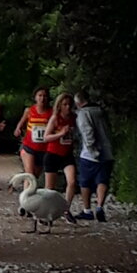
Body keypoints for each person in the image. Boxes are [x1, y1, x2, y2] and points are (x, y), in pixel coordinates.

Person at [74, 90, 114, 222]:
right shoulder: (101, 111)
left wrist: (92, 150)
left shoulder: (83, 114)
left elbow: (87, 133)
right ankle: (100, 206)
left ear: (78, 102)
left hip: (90, 155)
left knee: (85, 182)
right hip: (107, 152)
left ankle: (87, 210)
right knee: (102, 180)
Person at [43, 91, 77, 220]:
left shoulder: (74, 117)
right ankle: (46, 213)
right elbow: (46, 137)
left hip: (67, 154)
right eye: (65, 104)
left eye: (69, 104)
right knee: (49, 189)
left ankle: (66, 209)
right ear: (60, 106)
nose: (67, 107)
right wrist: (61, 134)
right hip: (53, 153)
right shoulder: (55, 118)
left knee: (72, 181)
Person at [14, 86, 52, 180]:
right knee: (29, 174)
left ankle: (27, 192)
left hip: (44, 149)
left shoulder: (52, 112)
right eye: (39, 95)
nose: (42, 98)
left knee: (35, 177)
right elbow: (21, 124)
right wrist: (18, 129)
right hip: (29, 147)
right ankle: (26, 194)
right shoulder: (29, 111)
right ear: (35, 97)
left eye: (45, 96)